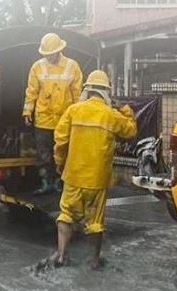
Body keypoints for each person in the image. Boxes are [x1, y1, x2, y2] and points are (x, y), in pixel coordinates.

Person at [50, 70, 137, 269]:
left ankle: (61, 255)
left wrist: (59, 162)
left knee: (66, 214)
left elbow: (60, 141)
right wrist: (126, 112)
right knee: (95, 221)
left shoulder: (73, 110)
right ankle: (95, 260)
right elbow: (130, 131)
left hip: (73, 174)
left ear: (87, 90)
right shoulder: (111, 115)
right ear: (106, 92)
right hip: (98, 179)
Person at [23, 32, 83, 195]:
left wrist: (77, 115)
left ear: (58, 50)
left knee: (63, 152)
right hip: (43, 118)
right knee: (44, 153)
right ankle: (46, 182)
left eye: (51, 54)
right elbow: (32, 91)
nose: (48, 57)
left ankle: (60, 181)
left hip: (65, 119)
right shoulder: (37, 67)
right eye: (46, 54)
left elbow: (77, 93)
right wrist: (27, 110)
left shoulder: (72, 66)